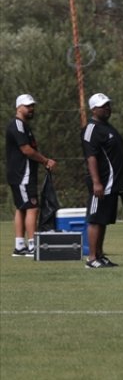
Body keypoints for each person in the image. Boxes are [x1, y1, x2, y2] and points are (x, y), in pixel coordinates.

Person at [81, 93, 123, 268]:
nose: (107, 108)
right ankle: (92, 258)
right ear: (94, 109)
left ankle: (100, 255)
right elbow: (91, 157)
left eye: (108, 105)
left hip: (112, 183)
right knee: (95, 219)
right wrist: (96, 182)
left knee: (103, 219)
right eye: (103, 106)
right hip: (100, 183)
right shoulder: (91, 129)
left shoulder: (107, 127)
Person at [8, 94, 56, 257]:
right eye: (28, 106)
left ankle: (19, 246)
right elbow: (26, 150)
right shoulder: (18, 125)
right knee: (32, 207)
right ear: (18, 107)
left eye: (32, 106)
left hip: (21, 174)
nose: (31, 109)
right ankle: (31, 246)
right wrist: (45, 161)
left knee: (22, 208)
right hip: (23, 174)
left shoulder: (23, 125)